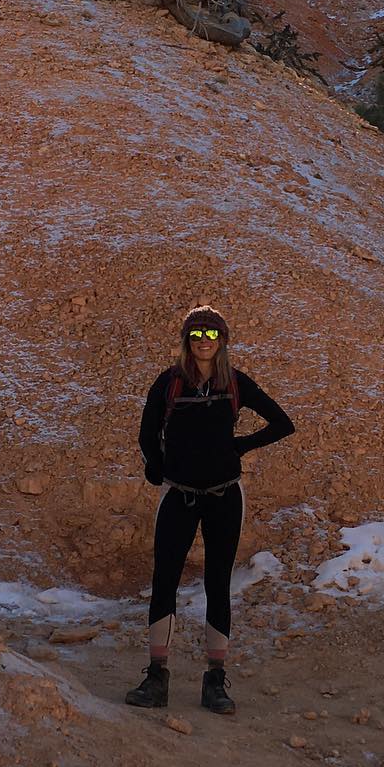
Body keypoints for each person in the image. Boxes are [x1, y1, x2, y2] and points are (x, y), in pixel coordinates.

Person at [126, 306, 294, 716]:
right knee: (164, 580)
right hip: (178, 494)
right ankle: (156, 676)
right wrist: (154, 463)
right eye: (196, 333)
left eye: (211, 334)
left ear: (222, 341)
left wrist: (239, 447)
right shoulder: (169, 382)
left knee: (217, 584)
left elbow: (281, 422)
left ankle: (215, 680)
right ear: (186, 340)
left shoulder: (234, 383)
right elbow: (147, 431)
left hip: (224, 495)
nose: (203, 340)